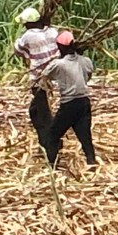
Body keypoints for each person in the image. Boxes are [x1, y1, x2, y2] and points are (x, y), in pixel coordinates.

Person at [40, 31, 97, 168]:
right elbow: (88, 75)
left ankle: (52, 165)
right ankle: (91, 161)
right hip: (84, 102)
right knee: (85, 136)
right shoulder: (86, 61)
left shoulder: (59, 64)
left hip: (69, 104)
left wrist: (47, 87)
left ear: (60, 47)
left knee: (53, 135)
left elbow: (45, 75)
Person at [13, 7, 59, 145]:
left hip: (38, 80)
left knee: (43, 114)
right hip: (54, 77)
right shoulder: (53, 31)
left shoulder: (28, 36)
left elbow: (18, 49)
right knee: (35, 110)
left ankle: (51, 142)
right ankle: (45, 140)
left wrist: (17, 42)